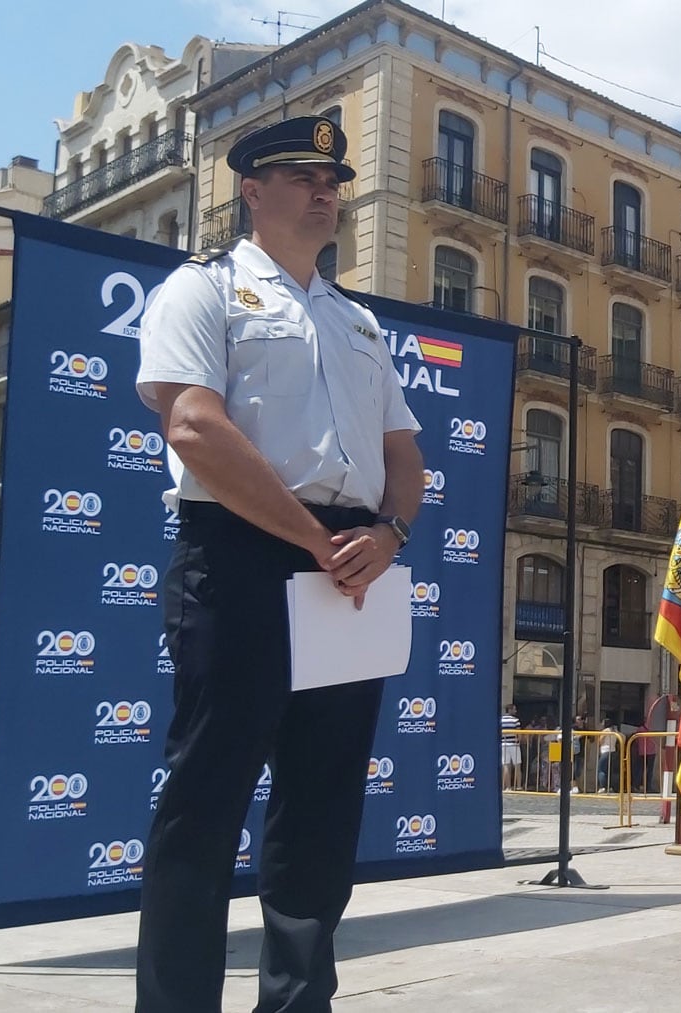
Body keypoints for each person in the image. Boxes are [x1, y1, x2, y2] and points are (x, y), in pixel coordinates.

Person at [133, 116, 423, 1012]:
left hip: (353, 566)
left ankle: (299, 1000)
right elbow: (193, 426)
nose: (324, 187)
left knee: (323, 803)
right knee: (206, 804)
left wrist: (391, 534)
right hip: (245, 554)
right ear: (251, 191)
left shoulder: (360, 321)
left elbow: (404, 454)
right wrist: (309, 536)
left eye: (331, 176)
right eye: (301, 174)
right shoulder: (203, 290)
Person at [502, 705, 523, 790]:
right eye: (514, 709)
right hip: (514, 744)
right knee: (517, 766)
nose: (516, 711)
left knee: (506, 765)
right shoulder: (515, 720)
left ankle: (508, 787)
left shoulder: (500, 720)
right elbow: (519, 734)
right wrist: (519, 741)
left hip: (503, 744)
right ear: (510, 710)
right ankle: (518, 786)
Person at [597, 719, 619, 792]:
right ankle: (611, 787)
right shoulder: (615, 731)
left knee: (602, 770)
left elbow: (600, 741)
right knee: (611, 770)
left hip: (605, 751)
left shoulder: (605, 731)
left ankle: (603, 787)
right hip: (613, 751)